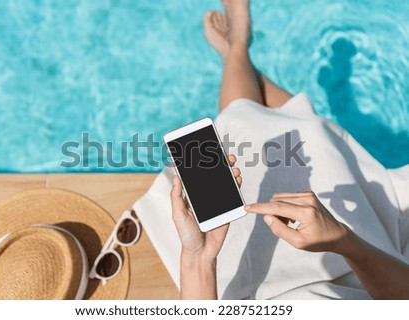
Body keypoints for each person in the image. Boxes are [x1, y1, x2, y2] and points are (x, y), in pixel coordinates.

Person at [169, 0, 409, 300]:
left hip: (252, 285)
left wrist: (200, 257)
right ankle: (237, 51)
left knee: (251, 135)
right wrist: (343, 240)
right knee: (310, 136)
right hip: (360, 272)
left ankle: (237, 50)